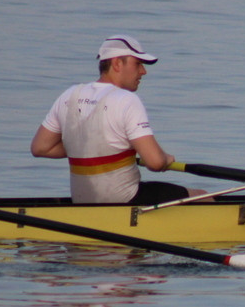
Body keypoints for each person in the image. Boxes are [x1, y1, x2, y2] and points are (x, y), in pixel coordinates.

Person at [31, 35, 205, 204]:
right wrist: (166, 159)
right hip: (125, 198)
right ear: (116, 63)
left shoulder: (69, 95)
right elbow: (155, 162)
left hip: (82, 200)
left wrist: (91, 146)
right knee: (202, 196)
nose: (143, 71)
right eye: (138, 63)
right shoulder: (126, 100)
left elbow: (40, 148)